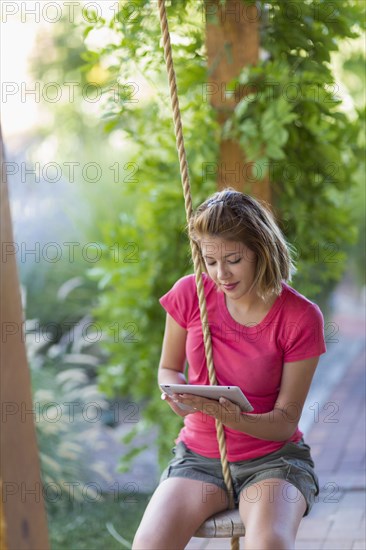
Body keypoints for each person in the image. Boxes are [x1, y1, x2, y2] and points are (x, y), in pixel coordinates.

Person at [132, 188, 326, 550]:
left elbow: (285, 421)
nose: (221, 274)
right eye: (210, 260)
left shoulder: (300, 317)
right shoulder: (190, 294)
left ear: (260, 251)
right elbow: (168, 369)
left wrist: (228, 416)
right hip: (199, 458)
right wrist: (174, 394)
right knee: (148, 544)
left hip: (274, 460)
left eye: (234, 259)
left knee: (268, 543)